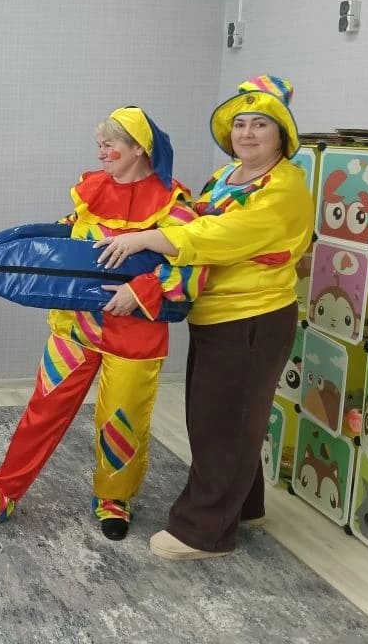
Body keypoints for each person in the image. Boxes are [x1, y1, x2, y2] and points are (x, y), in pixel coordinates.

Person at [0, 107, 206, 540]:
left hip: (136, 337)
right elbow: (71, 242)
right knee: (43, 411)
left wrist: (140, 291)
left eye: (111, 144)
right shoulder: (91, 192)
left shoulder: (174, 205)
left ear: (139, 149)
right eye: (100, 144)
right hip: (76, 327)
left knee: (122, 423)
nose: (101, 152)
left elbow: (195, 269)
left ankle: (114, 499)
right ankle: (2, 493)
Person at [96, 75, 313, 559]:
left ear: (281, 135)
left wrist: (144, 238)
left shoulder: (285, 188)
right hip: (215, 314)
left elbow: (217, 235)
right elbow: (191, 216)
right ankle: (245, 506)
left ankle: (204, 531)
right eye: (241, 123)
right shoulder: (227, 175)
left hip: (252, 317)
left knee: (223, 421)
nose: (247, 133)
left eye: (261, 124)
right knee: (227, 415)